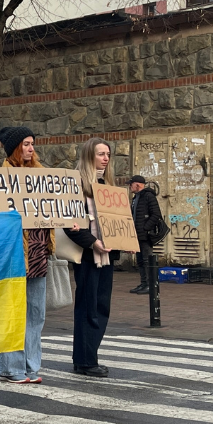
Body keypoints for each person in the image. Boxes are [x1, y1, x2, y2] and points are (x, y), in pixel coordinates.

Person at [0, 127, 52, 384]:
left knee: (36, 313)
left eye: (32, 143)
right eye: (26, 144)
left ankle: (31, 366)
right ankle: (11, 368)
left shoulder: (42, 175)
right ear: (15, 148)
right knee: (13, 311)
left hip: (38, 252)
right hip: (13, 253)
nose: (30, 148)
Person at [64, 138, 117, 377]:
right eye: (100, 154)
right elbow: (68, 223)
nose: (106, 158)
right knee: (88, 306)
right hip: (88, 254)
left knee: (101, 305)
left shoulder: (106, 185)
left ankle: (88, 356)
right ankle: (85, 360)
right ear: (88, 156)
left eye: (108, 154)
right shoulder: (75, 185)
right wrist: (93, 242)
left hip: (106, 254)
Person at [128, 174, 162, 294]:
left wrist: (145, 228)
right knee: (140, 261)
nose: (129, 187)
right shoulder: (135, 198)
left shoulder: (148, 196)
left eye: (130, 184)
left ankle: (150, 285)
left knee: (147, 260)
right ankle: (143, 283)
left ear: (137, 185)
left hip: (146, 235)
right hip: (137, 234)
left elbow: (156, 214)